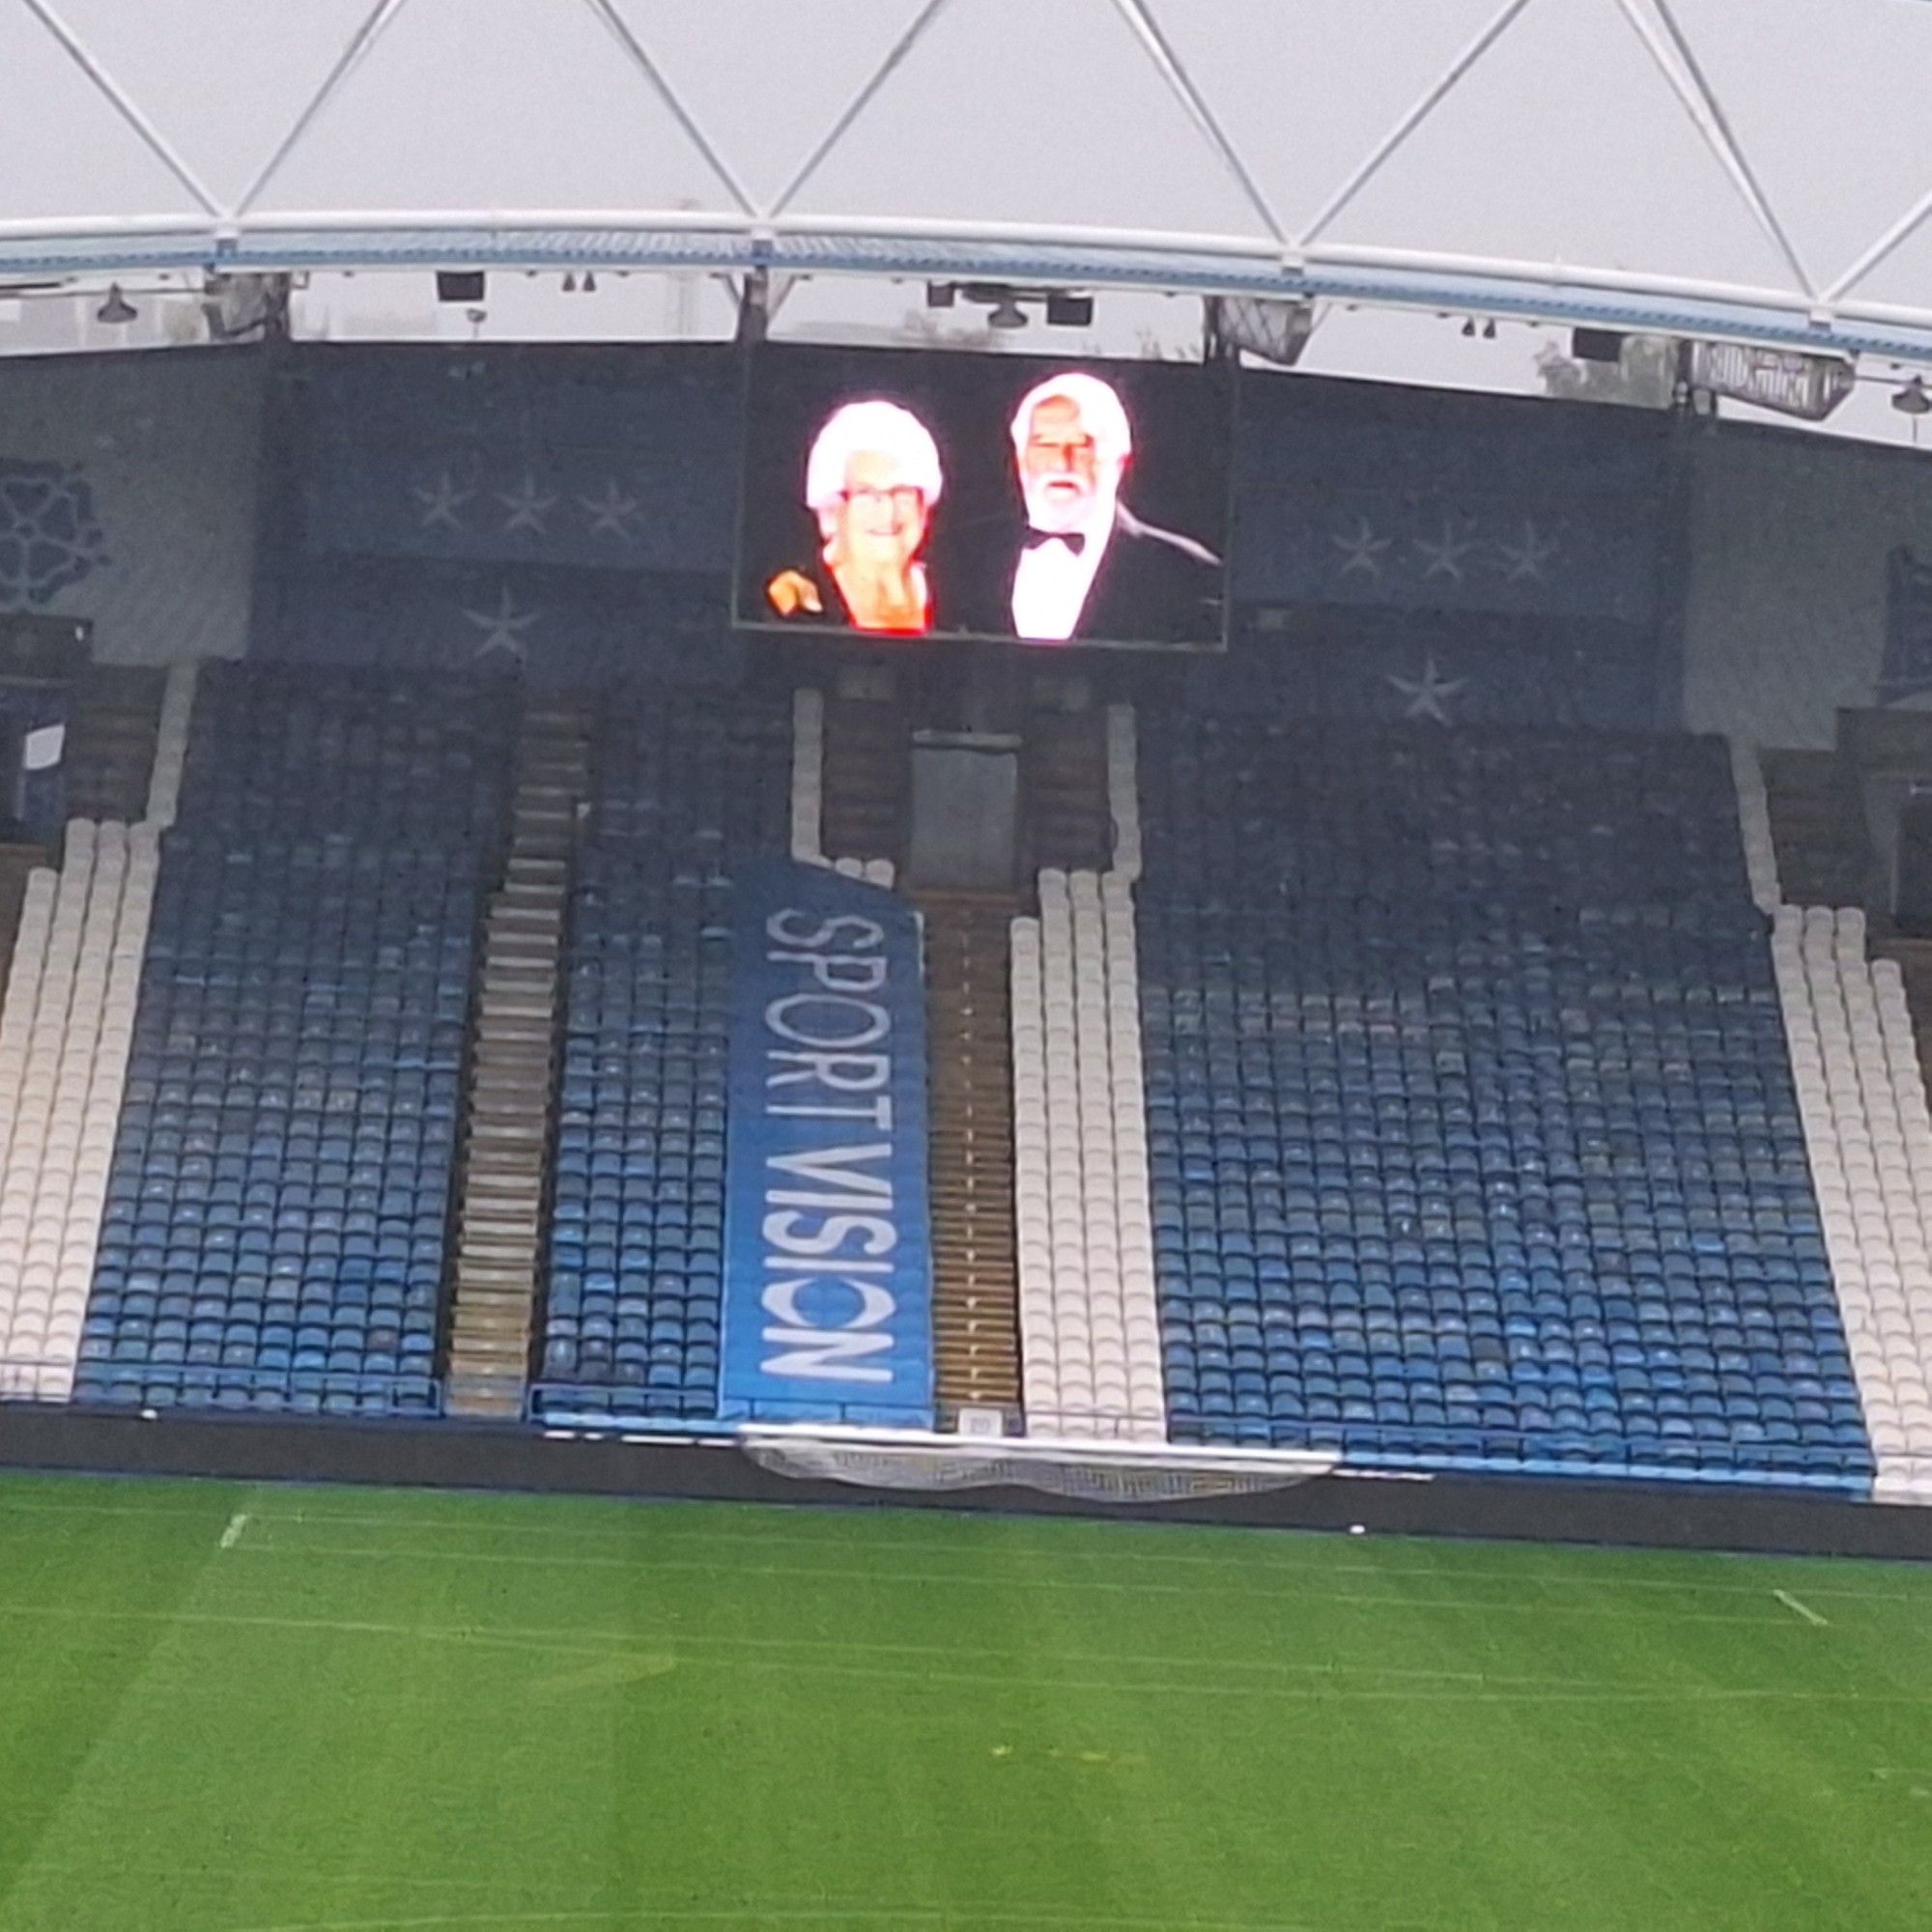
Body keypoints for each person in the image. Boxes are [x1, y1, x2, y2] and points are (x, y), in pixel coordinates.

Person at [956, 370, 1221, 644]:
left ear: (1117, 461)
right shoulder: (965, 556)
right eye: (1045, 445)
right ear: (1021, 458)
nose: (1062, 463)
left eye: (1082, 447)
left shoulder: (1184, 569)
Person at [765, 398, 943, 635]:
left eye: (902, 492)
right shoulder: (796, 600)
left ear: (923, 509)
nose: (888, 510)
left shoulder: (958, 596)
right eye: (867, 493)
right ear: (833, 510)